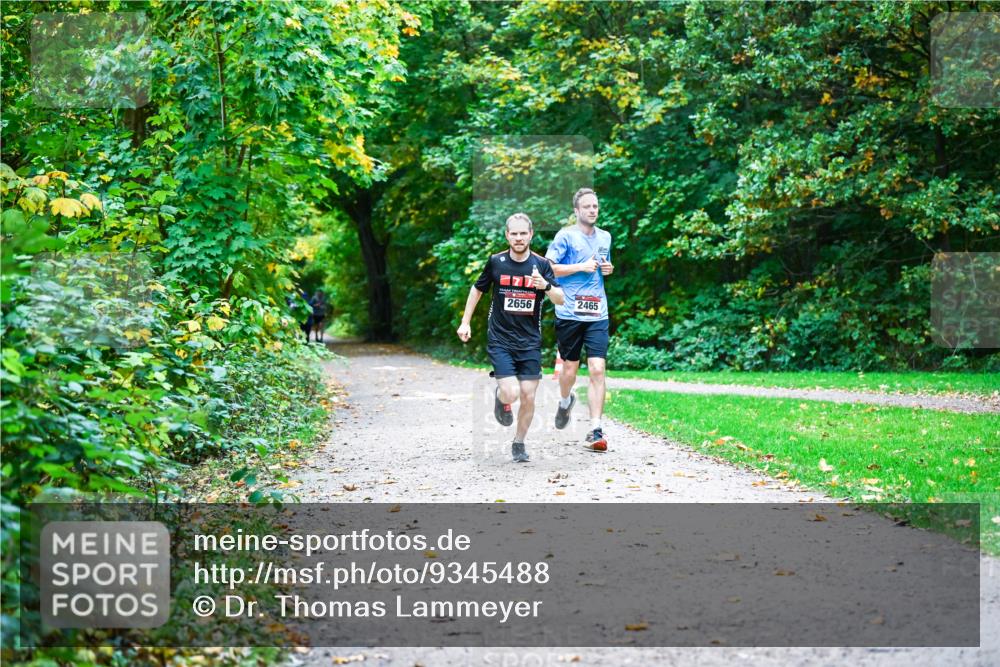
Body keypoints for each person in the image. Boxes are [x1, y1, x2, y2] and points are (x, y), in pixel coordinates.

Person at [457, 213, 564, 462]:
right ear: (507, 235)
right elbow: (477, 289)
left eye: (522, 233)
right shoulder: (497, 262)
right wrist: (465, 321)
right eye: (513, 233)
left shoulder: (542, 265)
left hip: (529, 342)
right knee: (512, 393)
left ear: (530, 234)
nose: (518, 238)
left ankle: (519, 443)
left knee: (528, 395)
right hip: (501, 339)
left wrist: (545, 286)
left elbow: (561, 298)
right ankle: (500, 397)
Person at [545, 188, 614, 452]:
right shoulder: (565, 236)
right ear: (576, 211)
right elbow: (548, 267)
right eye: (587, 207)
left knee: (597, 368)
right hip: (570, 312)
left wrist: (608, 268)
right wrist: (580, 267)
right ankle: (565, 401)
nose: (593, 210)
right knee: (569, 371)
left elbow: (603, 266)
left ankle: (596, 428)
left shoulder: (605, 237)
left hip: (597, 312)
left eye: (595, 206)